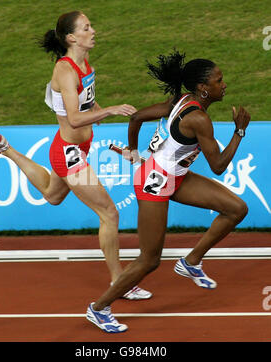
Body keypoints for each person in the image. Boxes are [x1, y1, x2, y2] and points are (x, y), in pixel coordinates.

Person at [0, 11, 152, 301]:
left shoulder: (84, 63)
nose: (93, 31)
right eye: (87, 28)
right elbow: (72, 118)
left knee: (52, 194)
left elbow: (84, 99)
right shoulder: (66, 70)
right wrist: (108, 111)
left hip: (76, 147)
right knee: (109, 213)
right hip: (70, 153)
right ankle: (119, 282)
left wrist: (96, 108)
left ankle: (3, 147)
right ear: (72, 37)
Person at [86, 49, 251, 333]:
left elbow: (136, 117)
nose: (224, 85)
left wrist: (136, 152)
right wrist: (239, 132)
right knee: (149, 260)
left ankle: (191, 261)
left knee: (237, 209)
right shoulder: (198, 119)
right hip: (155, 185)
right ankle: (98, 309)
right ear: (203, 88)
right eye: (219, 80)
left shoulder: (181, 100)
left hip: (175, 176)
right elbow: (219, 166)